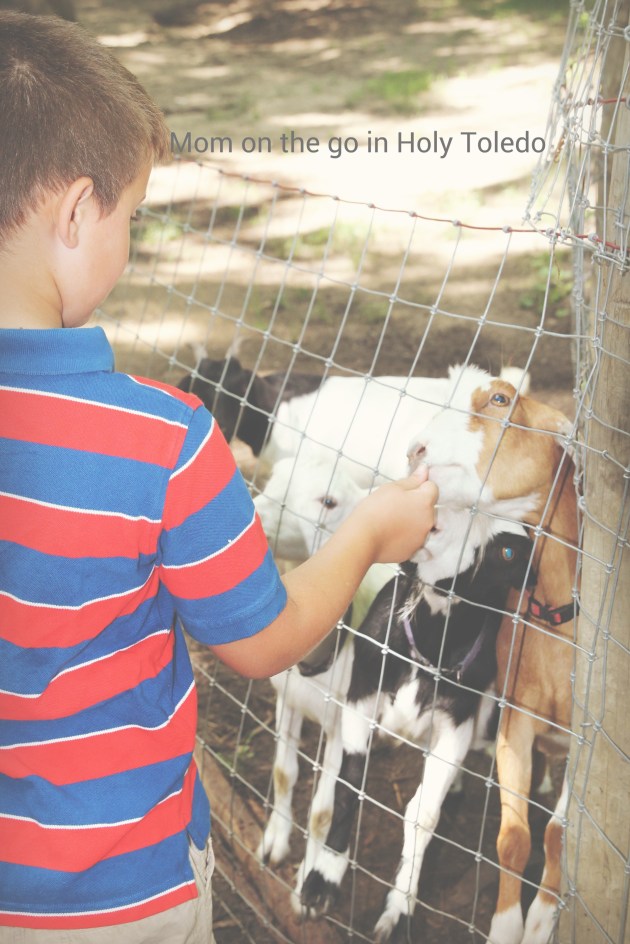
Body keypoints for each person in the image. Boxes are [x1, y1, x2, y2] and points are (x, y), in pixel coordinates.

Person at [0, 11, 438, 943]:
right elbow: (265, 640)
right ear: (77, 212)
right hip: (122, 897)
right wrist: (366, 532)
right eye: (134, 213)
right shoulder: (163, 442)